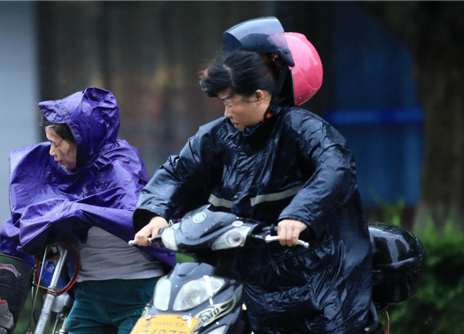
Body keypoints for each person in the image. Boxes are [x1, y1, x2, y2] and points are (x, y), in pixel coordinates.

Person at [133, 17, 380, 334]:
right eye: (222, 103)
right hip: (249, 280)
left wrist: (298, 216)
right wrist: (155, 214)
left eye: (230, 102)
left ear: (260, 96)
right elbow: (178, 174)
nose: (226, 113)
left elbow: (336, 167)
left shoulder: (302, 128)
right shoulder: (218, 136)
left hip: (314, 282)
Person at [0, 87, 176, 334]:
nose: (51, 153)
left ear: (80, 140)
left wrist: (75, 212)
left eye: (57, 144)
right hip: (88, 295)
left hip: (139, 289)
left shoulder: (119, 164)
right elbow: (32, 214)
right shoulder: (63, 173)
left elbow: (131, 215)